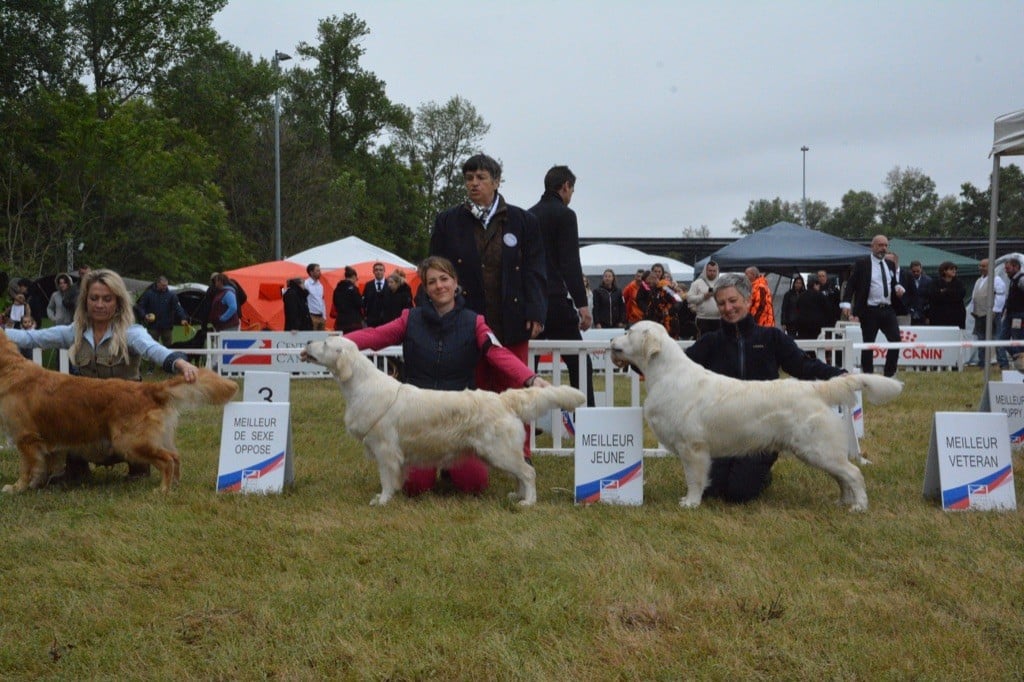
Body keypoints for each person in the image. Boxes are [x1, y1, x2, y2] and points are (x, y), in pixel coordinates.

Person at [343, 256, 549, 497]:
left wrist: (531, 378)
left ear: (455, 283)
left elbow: (498, 353)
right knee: (415, 487)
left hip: (461, 416)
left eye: (444, 279)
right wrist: (336, 344)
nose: (439, 286)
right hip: (419, 418)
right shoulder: (410, 319)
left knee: (473, 485)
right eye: (432, 282)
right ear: (426, 288)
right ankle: (431, 465)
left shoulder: (475, 322)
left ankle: (454, 463)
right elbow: (375, 336)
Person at [6, 268, 202, 480]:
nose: (100, 305)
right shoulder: (75, 331)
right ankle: (75, 468)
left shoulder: (131, 332)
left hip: (125, 414)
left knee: (131, 441)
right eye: (94, 298)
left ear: (118, 301)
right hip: (86, 415)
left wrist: (180, 362)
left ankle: (139, 463)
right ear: (85, 301)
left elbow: (153, 349)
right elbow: (33, 338)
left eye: (107, 299)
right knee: (65, 414)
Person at [684, 273, 846, 502]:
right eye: (721, 303)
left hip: (763, 434)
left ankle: (761, 472)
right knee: (711, 490)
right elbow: (675, 368)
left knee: (739, 493)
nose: (728, 308)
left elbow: (802, 365)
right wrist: (633, 359)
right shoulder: (711, 342)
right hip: (722, 434)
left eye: (733, 301)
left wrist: (839, 375)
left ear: (748, 300)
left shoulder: (771, 338)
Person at [428, 153, 546, 394]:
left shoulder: (524, 221)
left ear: (496, 181)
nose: (474, 183)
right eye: (469, 178)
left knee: (516, 394)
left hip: (512, 320)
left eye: (481, 177)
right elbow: (434, 268)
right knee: (472, 396)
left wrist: (536, 310)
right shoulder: (447, 221)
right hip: (464, 321)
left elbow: (534, 269)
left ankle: (518, 434)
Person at [530, 164, 595, 407]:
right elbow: (570, 262)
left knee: (527, 366)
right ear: (565, 186)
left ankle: (527, 424)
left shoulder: (527, 215)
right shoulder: (566, 215)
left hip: (531, 302)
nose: (571, 196)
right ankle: (587, 418)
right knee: (579, 362)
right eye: (572, 190)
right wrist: (582, 304)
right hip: (555, 301)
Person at [841, 234, 901, 377]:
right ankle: (867, 375)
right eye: (880, 245)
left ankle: (889, 374)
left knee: (896, 340)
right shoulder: (862, 264)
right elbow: (851, 284)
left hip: (887, 309)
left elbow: (891, 283)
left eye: (886, 245)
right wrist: (846, 303)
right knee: (868, 344)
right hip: (869, 310)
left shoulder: (890, 264)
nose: (883, 248)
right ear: (872, 246)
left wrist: (898, 287)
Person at [967, 258, 1005, 368]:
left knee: (997, 339)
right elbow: (974, 296)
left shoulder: (996, 280)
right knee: (981, 340)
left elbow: (1000, 295)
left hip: (992, 315)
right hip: (979, 315)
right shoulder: (978, 280)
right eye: (980, 266)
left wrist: (995, 310)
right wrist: (974, 311)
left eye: (983, 266)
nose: (981, 268)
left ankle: (1002, 363)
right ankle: (982, 363)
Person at [135, 276, 188, 347]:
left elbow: (178, 307)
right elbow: (141, 306)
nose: (165, 287)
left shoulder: (171, 295)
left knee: (168, 347)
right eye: (163, 285)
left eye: (166, 285)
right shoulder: (148, 294)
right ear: (158, 284)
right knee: (152, 346)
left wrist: (183, 318)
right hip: (152, 326)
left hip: (167, 326)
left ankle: (168, 358)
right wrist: (144, 315)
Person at [926, 262, 967, 329]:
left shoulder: (959, 283)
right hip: (939, 317)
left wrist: (944, 291)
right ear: (944, 271)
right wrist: (947, 293)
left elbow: (960, 294)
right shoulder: (935, 283)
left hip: (956, 317)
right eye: (951, 269)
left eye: (955, 269)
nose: (954, 271)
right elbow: (933, 295)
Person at [1000, 256, 1024, 370]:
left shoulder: (1021, 279)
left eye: (1008, 268)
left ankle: (1020, 363)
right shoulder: (1013, 280)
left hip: (1019, 315)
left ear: (1016, 267)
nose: (1006, 271)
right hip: (1010, 315)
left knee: (1017, 340)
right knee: (1002, 339)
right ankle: (1018, 357)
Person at [689, 261, 722, 337]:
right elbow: (689, 298)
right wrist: (703, 296)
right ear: (705, 271)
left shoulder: (721, 283)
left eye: (714, 271)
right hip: (702, 318)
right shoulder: (697, 283)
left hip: (718, 318)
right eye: (710, 270)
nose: (712, 273)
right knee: (703, 342)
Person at [332, 266, 365, 332]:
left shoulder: (337, 289)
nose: (356, 281)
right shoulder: (353, 289)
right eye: (356, 279)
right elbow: (359, 303)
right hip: (353, 322)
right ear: (353, 277)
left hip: (340, 322)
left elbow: (335, 303)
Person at [362, 262, 389, 327]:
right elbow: (364, 302)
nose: (378, 272)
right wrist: (365, 315)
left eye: (380, 270)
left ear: (384, 271)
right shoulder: (368, 285)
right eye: (376, 270)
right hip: (371, 320)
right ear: (373, 271)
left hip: (387, 319)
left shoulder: (389, 284)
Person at [907, 260, 931, 325]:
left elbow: (930, 299)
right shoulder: (907, 280)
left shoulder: (928, 281)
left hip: (924, 312)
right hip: (910, 312)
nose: (916, 273)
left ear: (921, 269)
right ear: (910, 270)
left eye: (918, 271)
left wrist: (928, 316)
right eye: (913, 272)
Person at [303, 263, 326, 330]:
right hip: (311, 315)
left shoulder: (320, 285)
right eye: (317, 271)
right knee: (312, 338)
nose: (320, 273)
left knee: (321, 339)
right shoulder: (306, 284)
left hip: (321, 316)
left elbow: (322, 300)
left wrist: (324, 316)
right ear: (311, 272)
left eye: (319, 270)